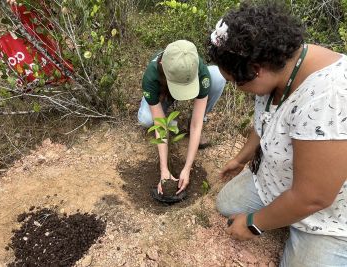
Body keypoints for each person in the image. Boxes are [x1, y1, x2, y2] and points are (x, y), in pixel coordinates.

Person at [209, 2, 347, 266]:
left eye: (237, 82)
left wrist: (253, 224)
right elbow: (264, 123)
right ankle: (284, 213)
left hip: (329, 214)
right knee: (226, 204)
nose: (238, 89)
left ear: (256, 69)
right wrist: (241, 159)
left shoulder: (331, 96)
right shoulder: (279, 68)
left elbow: (314, 196)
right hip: (277, 182)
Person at [138, 40, 225, 195]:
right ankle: (174, 123)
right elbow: (159, 125)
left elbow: (196, 125)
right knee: (146, 119)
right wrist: (164, 169)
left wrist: (187, 168)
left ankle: (186, 121)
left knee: (218, 77)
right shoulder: (151, 77)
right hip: (163, 93)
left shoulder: (198, 69)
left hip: (188, 83)